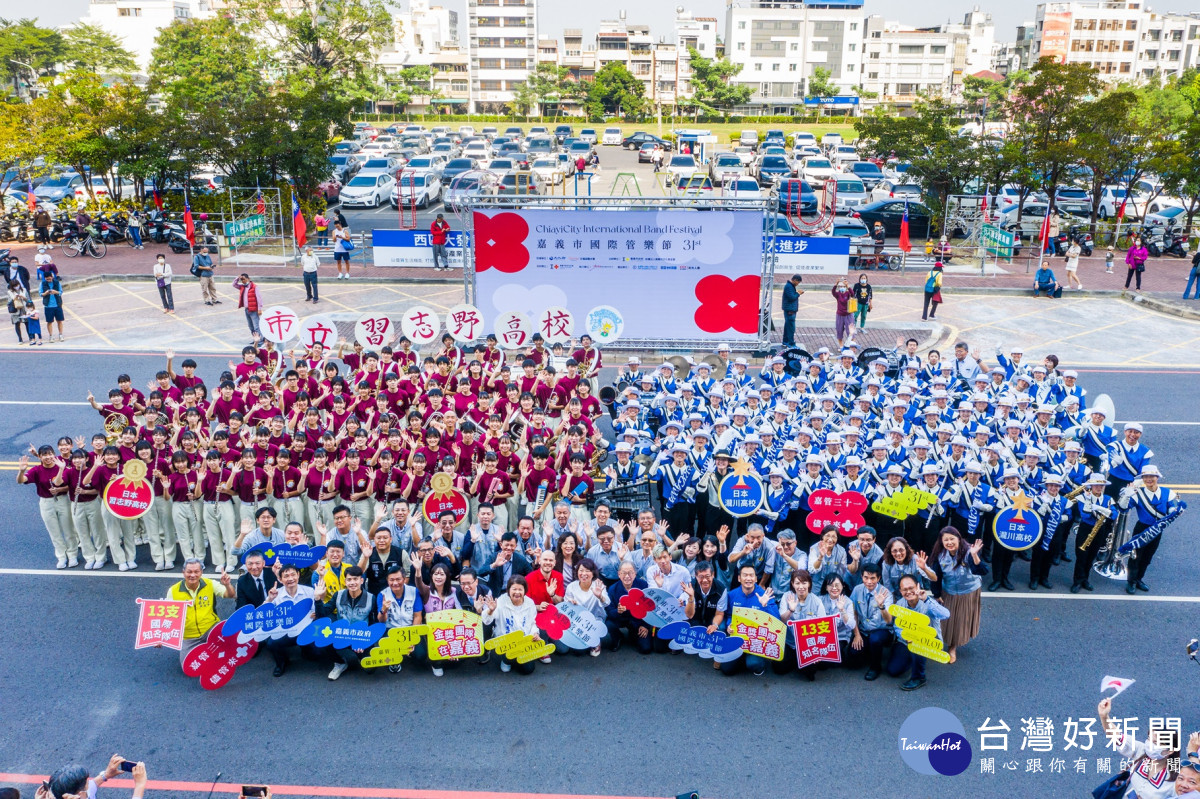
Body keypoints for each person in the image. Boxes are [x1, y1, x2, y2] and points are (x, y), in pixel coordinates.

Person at [882, 574, 950, 691]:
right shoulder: (900, 604)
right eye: (905, 589)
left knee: (918, 646)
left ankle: (919, 677)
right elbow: (897, 626)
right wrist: (905, 636)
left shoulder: (927, 602)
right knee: (893, 670)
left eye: (911, 588)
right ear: (900, 591)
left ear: (918, 586)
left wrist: (926, 599)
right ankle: (911, 659)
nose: (908, 592)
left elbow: (946, 614)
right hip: (906, 640)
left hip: (927, 641)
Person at [930, 526, 984, 664]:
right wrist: (937, 594)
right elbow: (936, 576)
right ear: (941, 542)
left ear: (959, 539)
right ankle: (939, 642)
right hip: (949, 591)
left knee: (959, 620)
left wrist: (975, 555)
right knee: (944, 619)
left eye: (952, 539)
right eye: (945, 540)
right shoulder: (940, 555)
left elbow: (981, 571)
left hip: (968, 591)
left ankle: (952, 648)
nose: (949, 542)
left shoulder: (968, 552)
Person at [166, 558, 236, 665]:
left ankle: (210, 651)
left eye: (196, 571)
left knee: (229, 652)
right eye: (189, 572)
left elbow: (230, 595)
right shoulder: (173, 591)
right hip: (189, 636)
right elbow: (167, 616)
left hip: (211, 629)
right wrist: (160, 638)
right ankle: (208, 652)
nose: (193, 575)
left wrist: (227, 584)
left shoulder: (210, 584)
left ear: (201, 572)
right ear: (183, 572)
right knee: (188, 665)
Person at [481, 575, 543, 674]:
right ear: (508, 590)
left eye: (520, 589)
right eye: (514, 589)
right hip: (506, 641)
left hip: (524, 640)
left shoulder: (530, 603)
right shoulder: (501, 601)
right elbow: (486, 620)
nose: (517, 592)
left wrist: (535, 633)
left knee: (528, 669)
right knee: (508, 659)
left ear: (525, 590)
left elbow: (532, 623)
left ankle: (516, 658)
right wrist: (490, 610)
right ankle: (506, 661)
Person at [323, 565, 375, 680]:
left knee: (370, 669)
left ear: (362, 580)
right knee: (325, 638)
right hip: (343, 634)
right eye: (349, 579)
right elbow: (324, 612)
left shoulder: (371, 598)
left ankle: (359, 655)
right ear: (345, 581)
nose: (352, 583)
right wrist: (317, 599)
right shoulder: (338, 595)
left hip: (361, 636)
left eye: (355, 579)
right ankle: (340, 663)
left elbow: (373, 623)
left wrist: (364, 642)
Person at [43, 756, 148, 799]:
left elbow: (89, 790)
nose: (90, 783)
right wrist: (140, 785)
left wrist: (105, 775)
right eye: (87, 782)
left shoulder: (55, 792)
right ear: (80, 794)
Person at [233, 273, 262, 343]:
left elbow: (259, 298)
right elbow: (234, 285)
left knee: (256, 326)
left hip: (254, 310)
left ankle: (260, 340)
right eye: (242, 280)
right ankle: (255, 339)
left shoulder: (254, 287)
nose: (243, 281)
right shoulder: (242, 287)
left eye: (244, 279)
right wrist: (237, 278)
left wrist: (259, 309)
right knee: (251, 326)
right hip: (247, 309)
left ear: (248, 278)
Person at [38, 271, 64, 343]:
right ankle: (51, 336)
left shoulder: (57, 283)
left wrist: (56, 292)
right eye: (47, 279)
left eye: (49, 279)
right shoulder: (42, 284)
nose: (49, 280)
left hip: (57, 304)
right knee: (49, 321)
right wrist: (46, 293)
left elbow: (61, 292)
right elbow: (40, 294)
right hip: (48, 306)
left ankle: (61, 334)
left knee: (59, 320)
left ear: (52, 277)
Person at [831, 278, 854, 347]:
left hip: (848, 315)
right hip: (840, 315)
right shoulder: (838, 294)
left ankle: (851, 345)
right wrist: (836, 284)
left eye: (843, 286)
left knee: (850, 331)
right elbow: (833, 292)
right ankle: (841, 346)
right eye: (840, 286)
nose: (842, 288)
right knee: (839, 330)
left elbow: (853, 294)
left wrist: (848, 286)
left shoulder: (848, 294)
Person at [781, 274, 803, 347]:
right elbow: (792, 297)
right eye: (798, 282)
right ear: (795, 280)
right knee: (791, 328)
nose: (798, 284)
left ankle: (785, 341)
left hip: (790, 310)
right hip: (790, 311)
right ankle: (791, 343)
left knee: (788, 326)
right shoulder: (788, 286)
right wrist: (798, 293)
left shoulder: (790, 286)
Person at [8, 279, 29, 344]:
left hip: (23, 309)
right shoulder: (10, 292)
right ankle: (20, 339)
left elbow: (28, 299)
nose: (16, 287)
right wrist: (15, 297)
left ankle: (31, 337)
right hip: (15, 310)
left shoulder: (24, 290)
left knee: (27, 323)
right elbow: (9, 301)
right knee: (17, 324)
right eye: (14, 286)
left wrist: (22, 297)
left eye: (17, 285)